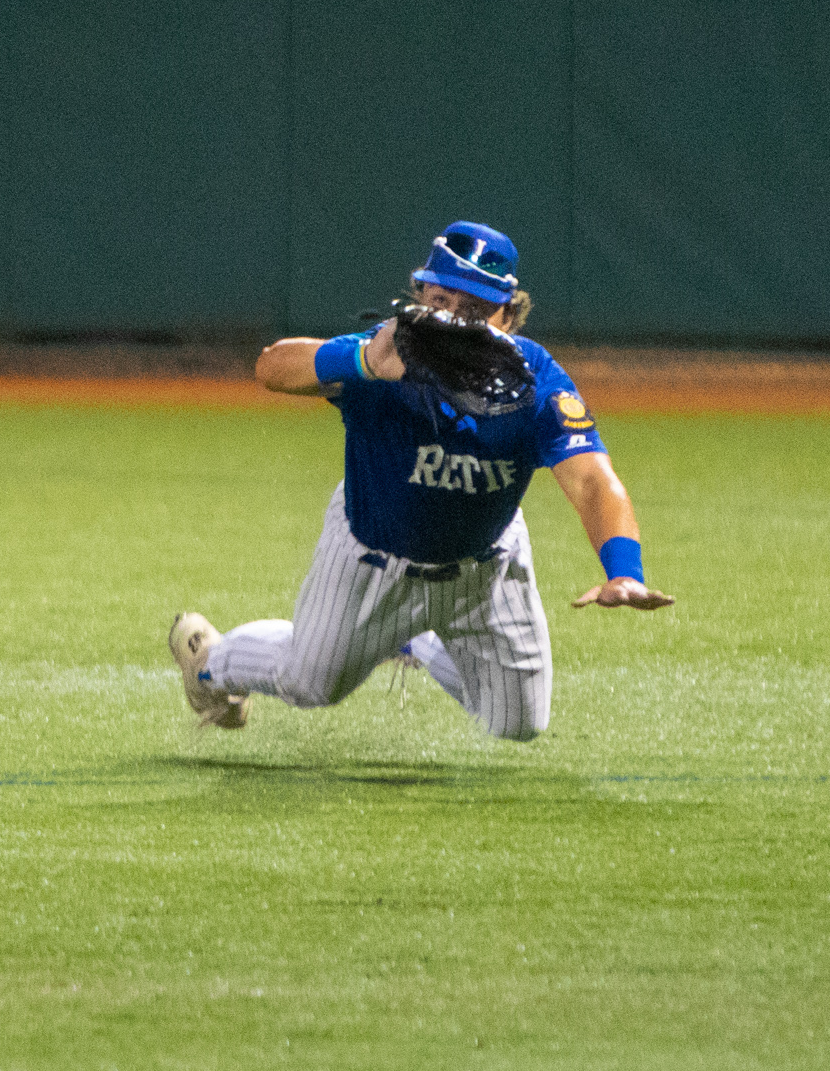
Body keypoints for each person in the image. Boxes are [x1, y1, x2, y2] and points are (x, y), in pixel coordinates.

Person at [169, 221, 672, 741]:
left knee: (518, 723)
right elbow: (272, 366)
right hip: (369, 559)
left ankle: (412, 638)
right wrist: (363, 361)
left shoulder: (535, 379)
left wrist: (624, 571)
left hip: (485, 572)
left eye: (474, 307)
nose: (454, 317)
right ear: (420, 294)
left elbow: (591, 480)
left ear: (508, 314)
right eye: (442, 299)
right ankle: (210, 663)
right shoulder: (388, 353)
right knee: (310, 684)